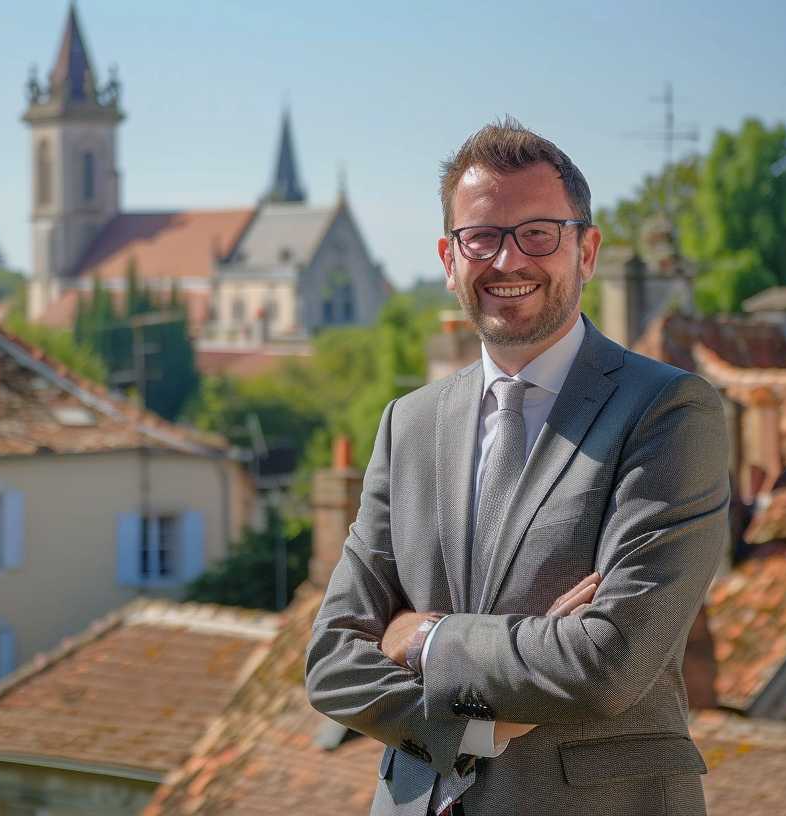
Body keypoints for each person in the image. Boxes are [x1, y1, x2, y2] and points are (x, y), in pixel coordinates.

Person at [304, 118, 729, 816]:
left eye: (538, 233)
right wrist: (478, 731)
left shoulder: (668, 413)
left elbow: (607, 664)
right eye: (482, 237)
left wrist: (426, 636)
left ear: (586, 251)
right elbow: (332, 661)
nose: (508, 261)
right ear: (449, 258)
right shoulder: (407, 424)